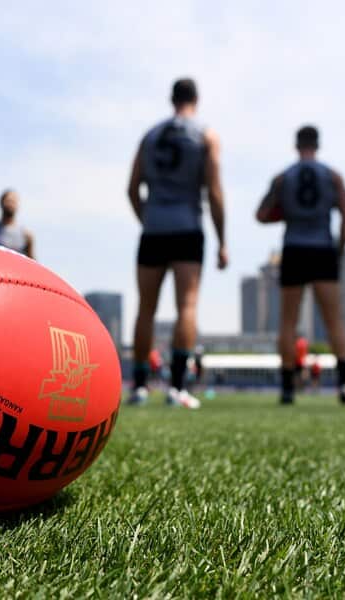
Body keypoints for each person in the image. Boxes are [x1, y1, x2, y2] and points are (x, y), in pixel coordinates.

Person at [126, 78, 227, 409]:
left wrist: (149, 220)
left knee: (145, 309)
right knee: (187, 306)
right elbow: (214, 191)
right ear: (196, 99)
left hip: (153, 228)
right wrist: (223, 239)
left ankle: (139, 387)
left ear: (171, 99)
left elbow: (132, 189)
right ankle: (178, 388)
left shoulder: (149, 136)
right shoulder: (206, 135)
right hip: (187, 227)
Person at [256, 125, 345, 405]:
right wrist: (340, 249)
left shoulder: (283, 178)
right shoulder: (333, 176)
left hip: (295, 248)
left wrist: (285, 212)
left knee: (288, 321)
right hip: (323, 248)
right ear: (318, 145)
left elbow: (261, 214)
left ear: (296, 145)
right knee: (335, 320)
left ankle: (287, 387)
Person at [0, 189, 35, 258]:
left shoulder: (26, 235)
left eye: (13, 202)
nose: (10, 204)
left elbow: (32, 261)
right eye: (8, 201)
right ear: (1, 203)